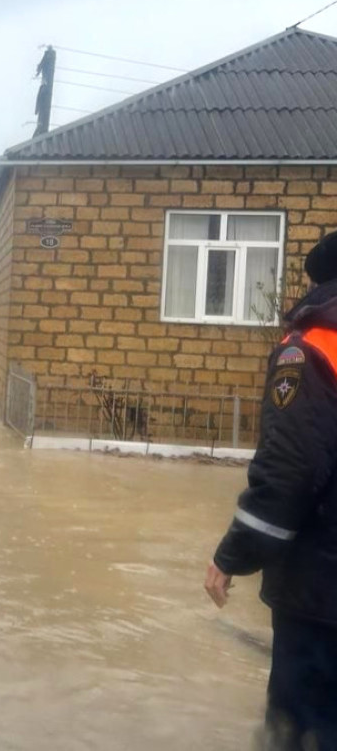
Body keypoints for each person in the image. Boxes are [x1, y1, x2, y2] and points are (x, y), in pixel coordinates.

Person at [205, 231, 337, 750]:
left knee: (301, 730)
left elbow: (291, 471)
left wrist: (233, 555)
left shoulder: (314, 348)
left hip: (323, 592)